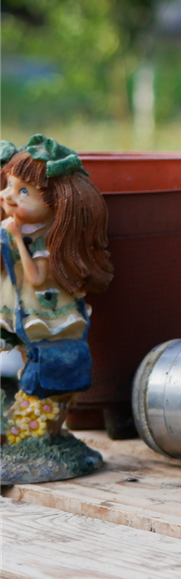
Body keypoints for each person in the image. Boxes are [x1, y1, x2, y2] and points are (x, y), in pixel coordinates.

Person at [0, 136, 112, 443]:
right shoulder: (19, 228)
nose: (9, 195)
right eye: (9, 184)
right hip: (19, 303)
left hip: (45, 309)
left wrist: (17, 240)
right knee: (27, 356)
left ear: (54, 205)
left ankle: (41, 428)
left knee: (41, 362)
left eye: (24, 191)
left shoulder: (47, 243)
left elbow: (36, 277)